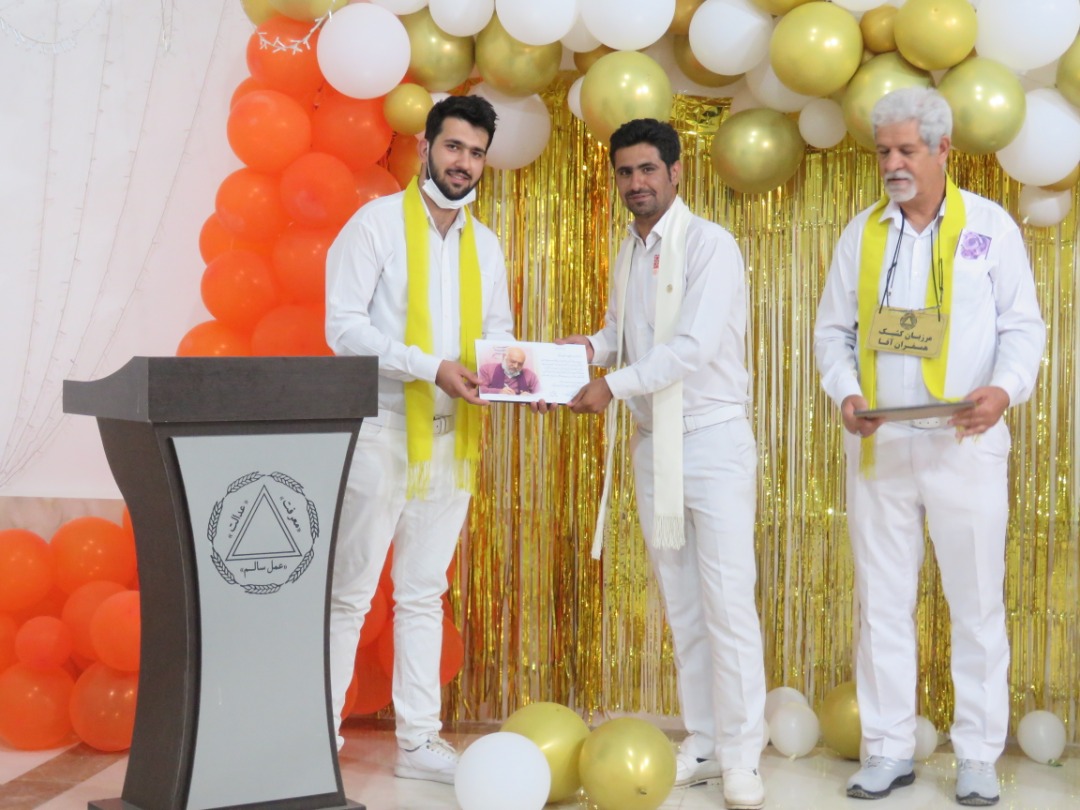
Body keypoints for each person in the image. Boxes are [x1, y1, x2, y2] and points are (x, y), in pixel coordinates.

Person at [814, 87, 1045, 806]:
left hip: (964, 445)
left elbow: (1023, 328)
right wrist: (845, 394)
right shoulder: (862, 233)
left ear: (944, 149)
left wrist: (1004, 391)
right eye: (884, 150)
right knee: (882, 604)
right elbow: (832, 333)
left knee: (975, 605)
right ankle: (888, 749)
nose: (893, 163)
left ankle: (977, 756)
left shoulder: (991, 227)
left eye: (907, 150)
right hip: (880, 449)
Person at [561, 118, 767, 810]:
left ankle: (743, 755)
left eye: (648, 169)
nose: (636, 182)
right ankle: (705, 742)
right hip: (656, 446)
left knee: (728, 605)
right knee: (683, 607)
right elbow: (624, 334)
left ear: (677, 172)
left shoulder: (710, 245)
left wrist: (610, 386)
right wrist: (587, 350)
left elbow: (692, 348)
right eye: (624, 171)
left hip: (712, 441)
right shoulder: (629, 248)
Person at [324, 95, 516, 785]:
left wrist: (519, 377)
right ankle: (315, 738)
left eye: (476, 153)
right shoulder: (375, 225)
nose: (463, 163)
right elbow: (342, 328)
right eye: (453, 146)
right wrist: (428, 366)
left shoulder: (484, 245)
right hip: (380, 430)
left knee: (423, 591)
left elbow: (497, 336)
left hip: (451, 438)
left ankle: (418, 740)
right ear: (425, 147)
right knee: (349, 592)